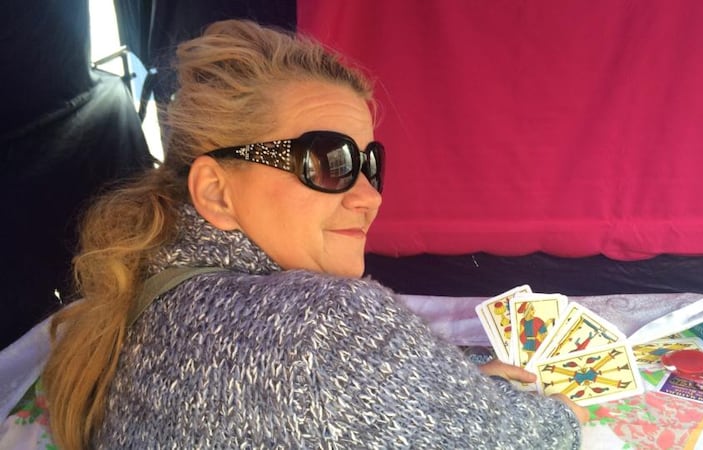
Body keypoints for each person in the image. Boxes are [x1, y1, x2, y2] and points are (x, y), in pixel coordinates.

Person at [42, 19, 587, 449]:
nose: (369, 195)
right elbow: (528, 438)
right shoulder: (313, 326)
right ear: (215, 192)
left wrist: (455, 390)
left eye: (371, 163)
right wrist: (560, 415)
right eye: (329, 161)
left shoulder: (152, 285)